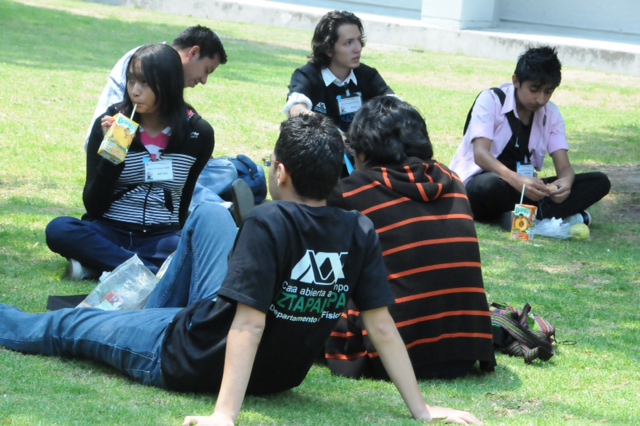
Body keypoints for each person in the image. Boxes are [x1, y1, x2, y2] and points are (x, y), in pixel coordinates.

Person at [0, 115, 482, 426]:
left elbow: (249, 326)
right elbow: (381, 326)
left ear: (280, 173)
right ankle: (146, 312)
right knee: (210, 213)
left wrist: (224, 416)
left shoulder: (268, 220)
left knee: (71, 325)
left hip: (187, 353)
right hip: (268, 365)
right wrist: (422, 410)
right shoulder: (358, 228)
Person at [324, 95, 496, 380]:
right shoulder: (451, 180)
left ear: (362, 150)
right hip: (464, 351)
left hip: (392, 355)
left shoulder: (351, 191)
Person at [45, 43, 216, 279]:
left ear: (169, 83)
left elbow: (183, 199)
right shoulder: (114, 124)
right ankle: (150, 272)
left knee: (202, 250)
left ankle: (99, 266)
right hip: (111, 230)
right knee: (59, 229)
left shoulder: (198, 134)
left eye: (145, 82)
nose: (135, 90)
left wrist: (179, 240)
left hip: (161, 237)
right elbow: (93, 205)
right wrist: (113, 154)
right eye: (131, 80)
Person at [449, 46, 610, 228]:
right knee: (488, 186)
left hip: (527, 189)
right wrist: (517, 180)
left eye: (548, 92)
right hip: (485, 181)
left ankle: (520, 216)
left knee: (598, 182)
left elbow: (564, 167)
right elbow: (480, 155)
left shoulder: (551, 114)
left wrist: (566, 182)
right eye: (534, 89)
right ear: (516, 81)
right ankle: (541, 214)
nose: (540, 99)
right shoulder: (491, 100)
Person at [85, 25, 227, 151]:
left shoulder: (172, 78)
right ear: (193, 52)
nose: (204, 80)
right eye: (207, 70)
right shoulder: (144, 60)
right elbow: (110, 129)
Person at [285, 10, 394, 134]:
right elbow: (297, 110)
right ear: (328, 49)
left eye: (359, 40)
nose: (358, 48)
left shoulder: (368, 75)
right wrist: (333, 133)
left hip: (360, 145)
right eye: (348, 43)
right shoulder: (307, 76)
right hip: (322, 144)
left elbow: (397, 106)